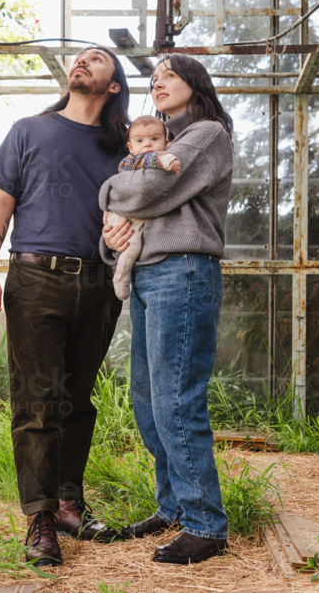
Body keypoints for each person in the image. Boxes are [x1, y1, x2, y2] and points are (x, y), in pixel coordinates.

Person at [0, 46, 131, 567]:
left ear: (114, 85)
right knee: (37, 402)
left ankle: (69, 504)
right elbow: (1, 200)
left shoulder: (125, 145)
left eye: (98, 59)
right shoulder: (30, 129)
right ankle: (39, 519)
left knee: (78, 401)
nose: (82, 61)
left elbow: (148, 198)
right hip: (36, 277)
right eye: (79, 57)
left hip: (101, 283)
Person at [99, 54, 234, 565]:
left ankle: (206, 525)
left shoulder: (206, 135)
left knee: (177, 400)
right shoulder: (161, 142)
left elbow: (151, 189)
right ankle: (174, 505)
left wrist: (108, 194)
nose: (157, 83)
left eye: (169, 76)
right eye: (153, 79)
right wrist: (113, 235)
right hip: (148, 275)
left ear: (194, 84)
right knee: (147, 401)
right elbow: (133, 215)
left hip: (184, 271)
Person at [103, 115, 181, 300]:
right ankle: (121, 278)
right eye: (140, 140)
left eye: (154, 139)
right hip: (123, 216)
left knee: (133, 244)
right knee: (132, 246)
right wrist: (168, 159)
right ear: (130, 147)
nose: (147, 145)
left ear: (166, 142)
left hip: (134, 214)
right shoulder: (132, 161)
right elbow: (151, 160)